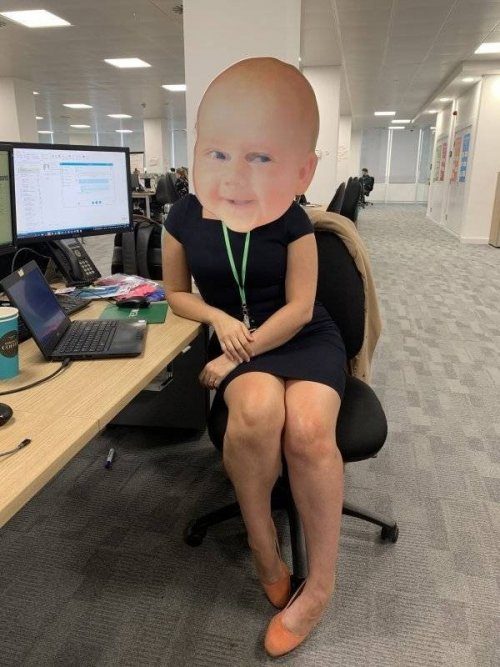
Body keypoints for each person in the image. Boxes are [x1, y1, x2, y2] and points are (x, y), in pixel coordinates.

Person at [162, 57, 346, 658]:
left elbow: (300, 308)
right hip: (237, 338)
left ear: (299, 169)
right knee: (259, 412)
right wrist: (217, 320)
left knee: (309, 430)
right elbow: (175, 293)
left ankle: (319, 588)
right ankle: (265, 548)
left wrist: (235, 353)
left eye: (260, 157)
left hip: (298, 337)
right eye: (217, 153)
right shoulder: (183, 216)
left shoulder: (292, 220)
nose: (234, 175)